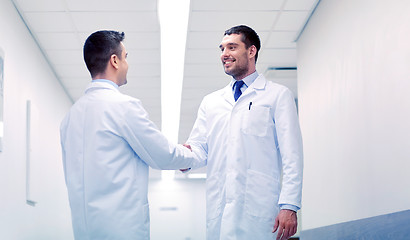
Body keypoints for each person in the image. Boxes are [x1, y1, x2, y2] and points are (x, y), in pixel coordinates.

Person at [60, 30, 198, 239]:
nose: (127, 64)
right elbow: (163, 154)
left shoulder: (70, 118)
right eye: (125, 57)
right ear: (114, 61)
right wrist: (190, 157)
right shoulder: (123, 107)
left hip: (84, 231)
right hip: (122, 230)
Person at [184, 25, 303, 240]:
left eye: (232, 47)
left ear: (251, 51)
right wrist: (185, 159)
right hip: (219, 209)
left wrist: (289, 205)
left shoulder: (277, 96)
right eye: (222, 48)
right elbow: (200, 149)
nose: (224, 54)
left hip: (260, 209)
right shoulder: (211, 102)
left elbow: (292, 155)